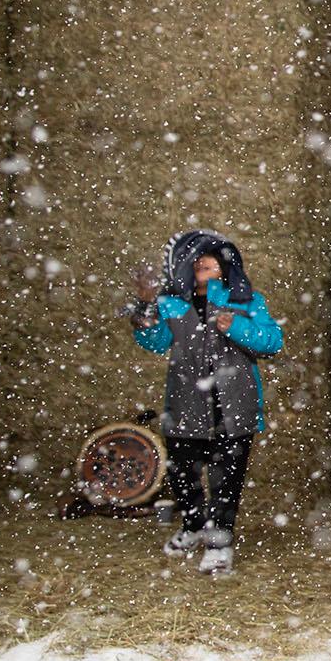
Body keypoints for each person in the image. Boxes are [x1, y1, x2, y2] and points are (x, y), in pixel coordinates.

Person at [128, 229, 284, 576]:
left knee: (227, 476)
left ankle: (220, 542)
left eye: (213, 258)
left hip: (234, 404)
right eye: (198, 259)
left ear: (228, 266)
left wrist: (238, 327)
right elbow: (154, 342)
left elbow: (272, 342)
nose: (205, 263)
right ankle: (194, 524)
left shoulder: (246, 301)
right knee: (183, 472)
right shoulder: (171, 305)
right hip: (186, 403)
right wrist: (145, 306)